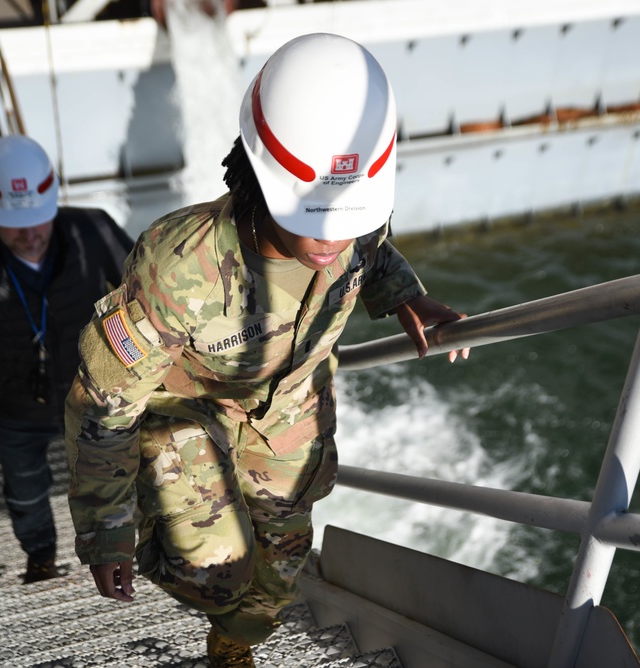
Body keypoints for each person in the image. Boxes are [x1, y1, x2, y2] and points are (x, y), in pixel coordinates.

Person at [64, 33, 469, 667]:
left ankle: (232, 648)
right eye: (316, 218)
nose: (336, 238)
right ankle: (158, 519)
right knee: (216, 572)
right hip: (189, 415)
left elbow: (371, 252)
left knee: (280, 573)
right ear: (261, 177)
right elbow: (102, 406)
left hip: (287, 421)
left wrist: (404, 297)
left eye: (350, 217)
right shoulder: (178, 266)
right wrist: (105, 531)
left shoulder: (355, 218)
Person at [0, 134, 134, 583]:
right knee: (26, 491)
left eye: (38, 220)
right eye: (14, 224)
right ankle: (41, 557)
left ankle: (118, 557)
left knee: (113, 480)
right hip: (15, 409)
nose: (29, 234)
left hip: (95, 398)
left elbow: (150, 301)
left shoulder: (95, 233)